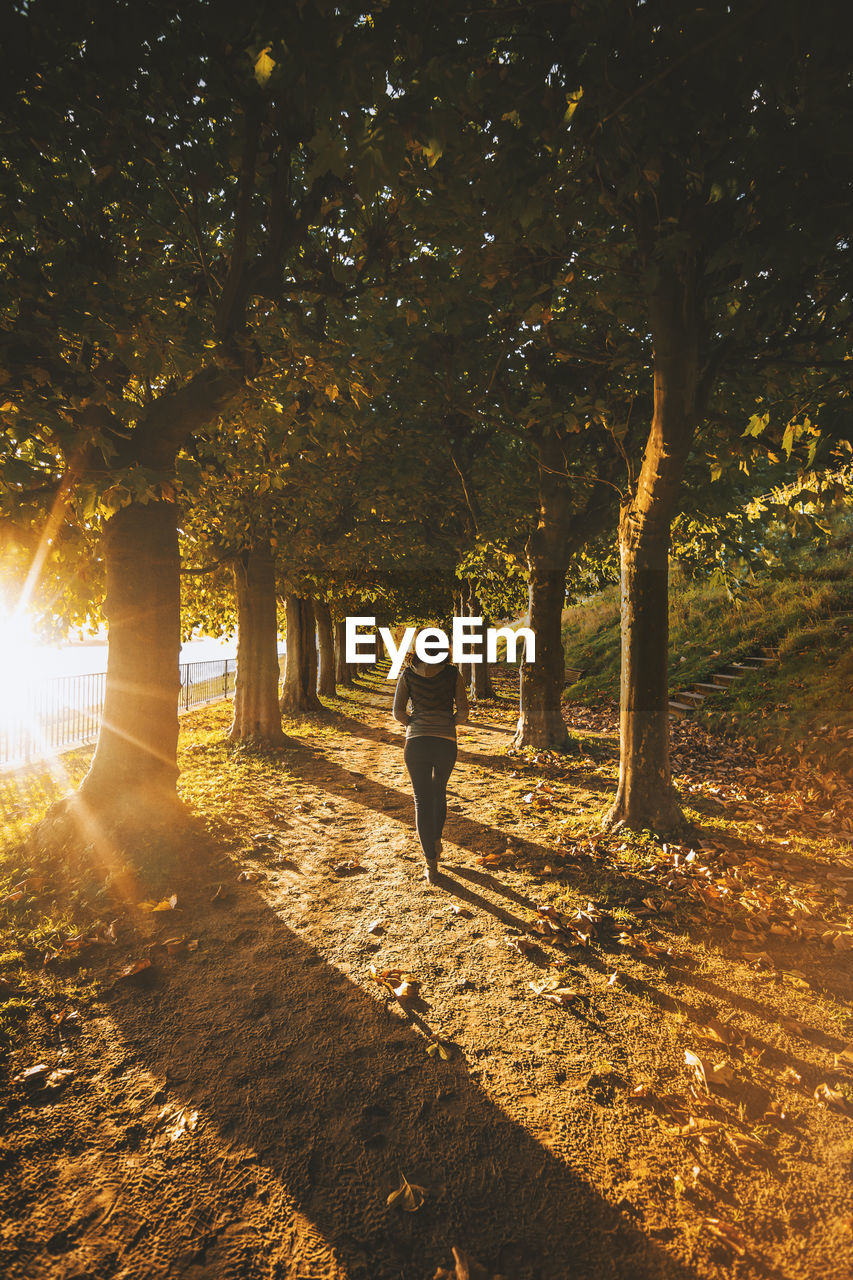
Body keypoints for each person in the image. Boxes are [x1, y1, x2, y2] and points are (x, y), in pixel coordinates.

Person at [392, 649, 469, 883]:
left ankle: (430, 864)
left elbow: (398, 712)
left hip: (416, 743)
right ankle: (436, 838)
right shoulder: (453, 674)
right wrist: (449, 722)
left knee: (421, 800)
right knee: (439, 792)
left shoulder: (407, 675)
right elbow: (463, 713)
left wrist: (413, 723)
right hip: (445, 742)